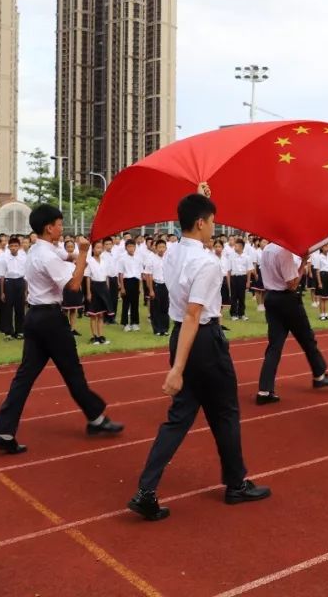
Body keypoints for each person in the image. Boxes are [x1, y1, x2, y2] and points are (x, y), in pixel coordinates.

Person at [129, 187, 270, 521]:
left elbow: (186, 317)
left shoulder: (175, 252)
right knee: (225, 413)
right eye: (212, 221)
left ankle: (146, 490)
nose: (214, 227)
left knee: (179, 418)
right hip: (203, 340)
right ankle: (236, 484)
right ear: (201, 223)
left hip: (182, 335)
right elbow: (195, 315)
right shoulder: (207, 263)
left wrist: (199, 194)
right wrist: (177, 369)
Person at [0, 205, 124, 454]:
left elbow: (62, 258)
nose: (63, 229)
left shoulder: (39, 251)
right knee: (72, 371)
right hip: (50, 320)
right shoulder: (47, 255)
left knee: (25, 376)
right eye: (60, 224)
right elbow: (73, 285)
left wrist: (74, 256)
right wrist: (84, 253)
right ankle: (96, 418)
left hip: (35, 317)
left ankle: (4, 431)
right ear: (49, 227)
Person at [255, 241, 328, 405]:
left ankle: (264, 390)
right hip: (287, 299)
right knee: (307, 338)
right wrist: (303, 262)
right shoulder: (283, 252)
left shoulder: (267, 250)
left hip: (271, 298)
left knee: (275, 346)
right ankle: (319, 375)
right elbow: (292, 284)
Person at [83, 239, 113, 345]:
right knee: (93, 314)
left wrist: (107, 289)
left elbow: (107, 277)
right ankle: (94, 336)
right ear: (93, 249)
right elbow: (87, 278)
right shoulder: (90, 261)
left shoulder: (104, 261)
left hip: (103, 287)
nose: (99, 250)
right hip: (94, 287)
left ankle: (100, 336)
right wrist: (88, 293)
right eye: (97, 248)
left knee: (101, 315)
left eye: (101, 247)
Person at [144, 239, 171, 336]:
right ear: (156, 248)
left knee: (165, 307)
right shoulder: (151, 259)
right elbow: (148, 275)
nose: (161, 249)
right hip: (155, 285)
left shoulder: (168, 259)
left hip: (165, 285)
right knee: (156, 309)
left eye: (163, 247)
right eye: (159, 247)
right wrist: (150, 290)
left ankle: (165, 328)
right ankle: (157, 329)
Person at [3, 237, 27, 339]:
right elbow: (2, 276)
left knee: (20, 308)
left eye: (15, 246)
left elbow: (26, 275)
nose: (13, 248)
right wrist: (2, 292)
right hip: (8, 282)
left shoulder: (23, 257)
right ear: (8, 247)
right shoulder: (4, 258)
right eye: (11, 246)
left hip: (20, 281)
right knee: (8, 308)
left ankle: (20, 331)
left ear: (19, 246)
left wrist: (26, 291)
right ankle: (8, 332)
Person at [117, 239, 144, 331]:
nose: (131, 248)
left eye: (133, 246)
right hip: (127, 281)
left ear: (135, 247)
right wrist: (122, 287)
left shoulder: (138, 258)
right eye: (129, 246)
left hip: (136, 281)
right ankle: (125, 324)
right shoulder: (122, 258)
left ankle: (134, 323)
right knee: (126, 303)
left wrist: (140, 286)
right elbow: (120, 274)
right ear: (126, 248)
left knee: (135, 303)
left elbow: (140, 273)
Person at [227, 238, 252, 321]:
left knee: (242, 296)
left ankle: (242, 313)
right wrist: (229, 281)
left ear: (241, 247)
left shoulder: (247, 257)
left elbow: (249, 270)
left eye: (236, 245)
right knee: (234, 296)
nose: (235, 247)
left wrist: (248, 281)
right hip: (234, 278)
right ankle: (233, 314)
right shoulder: (231, 256)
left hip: (242, 277)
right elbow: (229, 270)